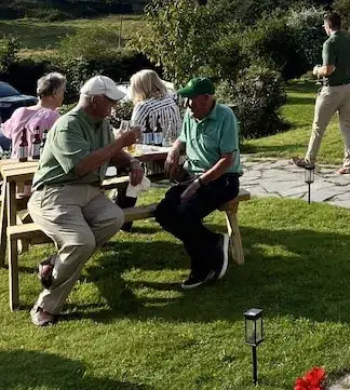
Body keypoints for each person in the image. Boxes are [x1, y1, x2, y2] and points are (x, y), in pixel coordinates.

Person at [26, 75, 143, 327]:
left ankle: (53, 265)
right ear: (94, 100)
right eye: (110, 101)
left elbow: (112, 152)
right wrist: (122, 141)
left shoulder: (100, 123)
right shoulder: (68, 124)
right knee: (81, 243)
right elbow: (80, 166)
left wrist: (132, 161)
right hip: (54, 192)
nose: (114, 106)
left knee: (114, 218)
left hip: (88, 192)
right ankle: (45, 305)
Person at [155, 76, 241, 289]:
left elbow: (227, 159)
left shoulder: (225, 116)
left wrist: (199, 183)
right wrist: (174, 150)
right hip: (193, 176)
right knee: (164, 212)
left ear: (205, 99)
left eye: (190, 99)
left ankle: (201, 266)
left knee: (185, 214)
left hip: (223, 179)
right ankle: (213, 243)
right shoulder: (190, 115)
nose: (186, 104)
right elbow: (182, 139)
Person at [292, 12, 350, 176]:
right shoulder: (349, 41)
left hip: (332, 89)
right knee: (347, 126)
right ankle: (348, 164)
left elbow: (328, 69)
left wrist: (316, 70)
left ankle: (309, 160)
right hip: (348, 87)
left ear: (327, 26)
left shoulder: (330, 43)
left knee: (318, 126)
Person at [1, 71, 66, 160]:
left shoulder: (19, 112)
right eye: (62, 91)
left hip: (15, 165)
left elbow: (6, 132)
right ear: (55, 94)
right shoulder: (54, 116)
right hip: (36, 167)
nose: (63, 96)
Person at [130, 69, 182, 144]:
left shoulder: (144, 107)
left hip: (152, 150)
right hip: (175, 147)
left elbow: (133, 134)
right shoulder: (172, 100)